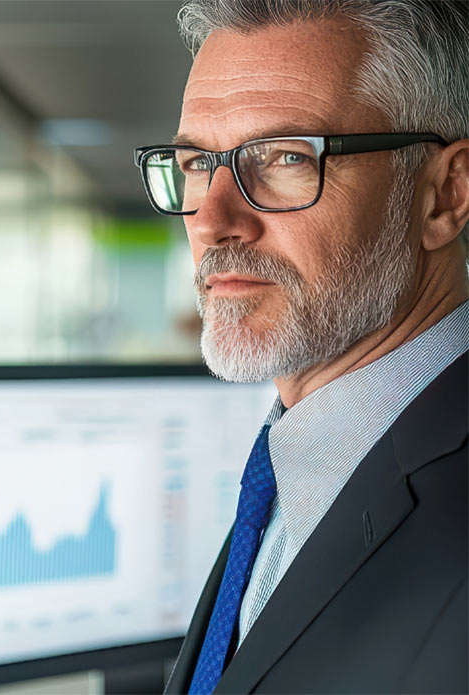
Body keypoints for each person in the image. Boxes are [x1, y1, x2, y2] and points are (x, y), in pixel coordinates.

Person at [134, 1, 468, 692]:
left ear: (445, 195)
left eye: (286, 157)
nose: (215, 220)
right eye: (199, 162)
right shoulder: (292, 466)